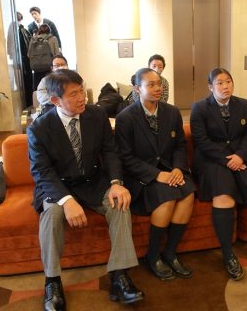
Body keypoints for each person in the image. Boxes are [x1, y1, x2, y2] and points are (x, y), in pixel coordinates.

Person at [27, 69, 144, 311]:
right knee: (52, 214)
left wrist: (116, 183)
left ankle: (119, 276)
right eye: (73, 94)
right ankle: (52, 282)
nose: (82, 98)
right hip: (57, 185)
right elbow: (42, 171)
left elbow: (110, 152)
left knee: (120, 204)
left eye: (82, 90)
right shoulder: (39, 128)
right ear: (55, 100)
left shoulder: (97, 115)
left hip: (92, 181)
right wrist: (66, 200)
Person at [190, 68, 247, 281]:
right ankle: (228, 255)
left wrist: (241, 157)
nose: (225, 86)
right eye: (220, 83)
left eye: (228, 81)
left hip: (242, 157)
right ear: (210, 87)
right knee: (224, 197)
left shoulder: (244, 105)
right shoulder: (199, 108)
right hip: (213, 159)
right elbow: (201, 141)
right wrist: (228, 160)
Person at [115, 68, 195, 281]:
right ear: (137, 89)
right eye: (150, 85)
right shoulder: (125, 118)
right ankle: (153, 255)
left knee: (188, 193)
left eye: (159, 84)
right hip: (142, 176)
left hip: (171, 170)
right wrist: (156, 175)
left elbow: (180, 145)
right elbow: (126, 157)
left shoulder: (172, 112)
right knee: (167, 197)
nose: (158, 88)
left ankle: (170, 252)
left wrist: (178, 168)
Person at [6, 11, 33, 108]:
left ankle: (28, 103)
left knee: (25, 81)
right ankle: (27, 103)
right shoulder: (16, 29)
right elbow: (11, 43)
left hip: (22, 59)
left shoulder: (19, 29)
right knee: (24, 82)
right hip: (21, 59)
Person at [28, 23, 60, 90]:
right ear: (49, 30)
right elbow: (57, 55)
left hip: (37, 69)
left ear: (39, 30)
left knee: (38, 88)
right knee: (50, 88)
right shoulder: (53, 39)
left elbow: (28, 54)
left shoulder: (33, 39)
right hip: (49, 68)